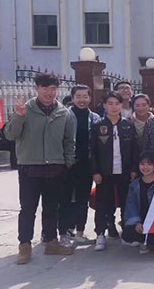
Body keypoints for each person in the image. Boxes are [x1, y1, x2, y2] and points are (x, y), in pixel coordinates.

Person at [4, 73, 76, 264]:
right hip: (30, 167)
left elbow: (69, 140)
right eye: (45, 88)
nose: (49, 93)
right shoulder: (25, 109)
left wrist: (68, 161)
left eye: (53, 89)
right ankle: (24, 246)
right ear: (37, 89)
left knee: (52, 208)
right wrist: (19, 117)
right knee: (28, 209)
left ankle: (51, 243)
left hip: (55, 167)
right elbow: (10, 135)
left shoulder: (63, 112)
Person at [90, 92, 140, 251]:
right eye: (110, 103)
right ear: (105, 105)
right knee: (103, 203)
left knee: (126, 203)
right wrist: (95, 171)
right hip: (104, 172)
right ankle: (100, 234)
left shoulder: (128, 125)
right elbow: (92, 151)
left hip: (124, 171)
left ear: (121, 105)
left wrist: (134, 169)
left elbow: (134, 150)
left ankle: (127, 234)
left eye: (117, 103)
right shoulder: (98, 126)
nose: (114, 107)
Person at [58, 85, 101, 247]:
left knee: (83, 199)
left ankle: (80, 233)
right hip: (67, 164)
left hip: (86, 165)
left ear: (90, 98)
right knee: (65, 199)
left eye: (85, 96)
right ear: (73, 98)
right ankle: (64, 232)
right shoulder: (63, 116)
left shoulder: (95, 118)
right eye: (78, 96)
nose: (82, 100)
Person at [123, 151, 154, 254]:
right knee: (127, 234)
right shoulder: (134, 185)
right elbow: (131, 205)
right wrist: (137, 223)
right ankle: (145, 240)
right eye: (142, 164)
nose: (145, 167)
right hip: (142, 221)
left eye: (149, 164)